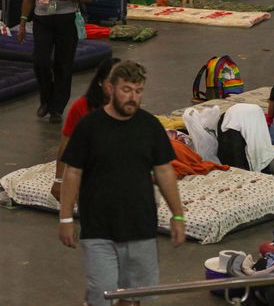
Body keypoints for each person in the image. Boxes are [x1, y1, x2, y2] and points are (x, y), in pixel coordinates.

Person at [58, 60, 185, 306]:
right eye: (126, 89)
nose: (133, 97)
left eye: (138, 91)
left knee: (135, 296)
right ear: (110, 88)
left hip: (141, 228)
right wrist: (65, 218)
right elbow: (73, 172)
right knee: (102, 294)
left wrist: (177, 215)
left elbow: (164, 171)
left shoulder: (150, 126)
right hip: (98, 228)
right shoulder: (89, 126)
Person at [18, 0, 93, 123]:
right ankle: (45, 99)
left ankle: (57, 108)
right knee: (40, 61)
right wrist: (22, 22)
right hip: (42, 20)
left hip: (66, 21)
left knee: (63, 64)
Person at [51, 57, 120, 202]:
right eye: (111, 81)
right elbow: (66, 144)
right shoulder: (81, 107)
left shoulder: (128, 107)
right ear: (100, 82)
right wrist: (58, 180)